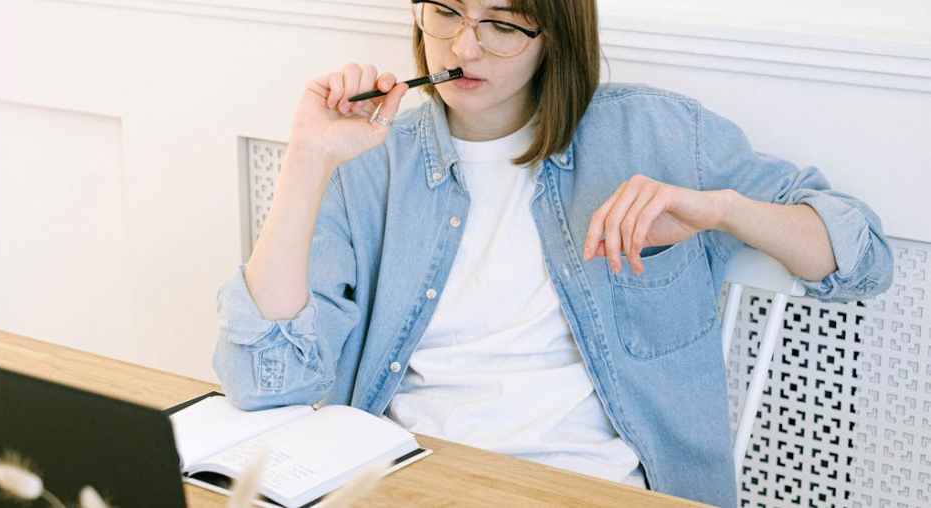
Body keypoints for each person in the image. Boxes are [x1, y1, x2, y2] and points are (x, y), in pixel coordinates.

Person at [211, 1, 894, 506]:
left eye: (504, 24)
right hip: (411, 478)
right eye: (445, 12)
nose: (465, 46)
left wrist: (721, 210)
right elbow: (265, 381)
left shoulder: (656, 133)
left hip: (590, 487)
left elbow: (861, 259)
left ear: (555, 35)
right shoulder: (372, 160)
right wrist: (308, 160)